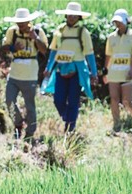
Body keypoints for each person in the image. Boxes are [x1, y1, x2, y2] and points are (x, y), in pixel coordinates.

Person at [43, 2, 98, 133]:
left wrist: (94, 73)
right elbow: (53, 51)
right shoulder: (60, 31)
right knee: (58, 99)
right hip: (60, 69)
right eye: (70, 15)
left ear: (79, 17)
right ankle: (67, 118)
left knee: (73, 100)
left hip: (77, 71)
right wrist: (48, 68)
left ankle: (70, 128)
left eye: (75, 15)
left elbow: (89, 54)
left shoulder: (83, 32)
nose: (71, 17)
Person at [1, 8, 49, 141]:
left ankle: (30, 132)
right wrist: (12, 48)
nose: (20, 25)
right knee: (9, 100)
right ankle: (18, 123)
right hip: (15, 73)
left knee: (30, 105)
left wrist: (35, 38)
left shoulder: (38, 32)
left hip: (30, 74)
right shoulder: (12, 32)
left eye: (23, 22)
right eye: (18, 23)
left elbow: (44, 50)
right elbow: (3, 47)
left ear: (29, 21)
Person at [104, 9, 132, 132]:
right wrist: (105, 71)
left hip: (127, 72)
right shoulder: (111, 37)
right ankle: (116, 123)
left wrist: (131, 69)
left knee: (126, 100)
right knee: (114, 99)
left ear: (126, 21)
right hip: (114, 72)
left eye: (119, 22)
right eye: (115, 22)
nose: (117, 24)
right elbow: (108, 55)